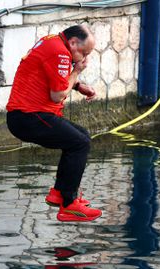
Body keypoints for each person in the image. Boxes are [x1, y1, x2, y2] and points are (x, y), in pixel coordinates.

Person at [6, 25, 101, 222]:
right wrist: (77, 71)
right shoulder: (60, 53)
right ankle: (69, 205)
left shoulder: (53, 42)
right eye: (84, 53)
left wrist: (78, 86)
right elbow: (57, 95)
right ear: (73, 43)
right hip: (29, 117)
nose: (84, 59)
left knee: (82, 136)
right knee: (79, 143)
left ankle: (59, 193)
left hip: (27, 115)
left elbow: (52, 76)